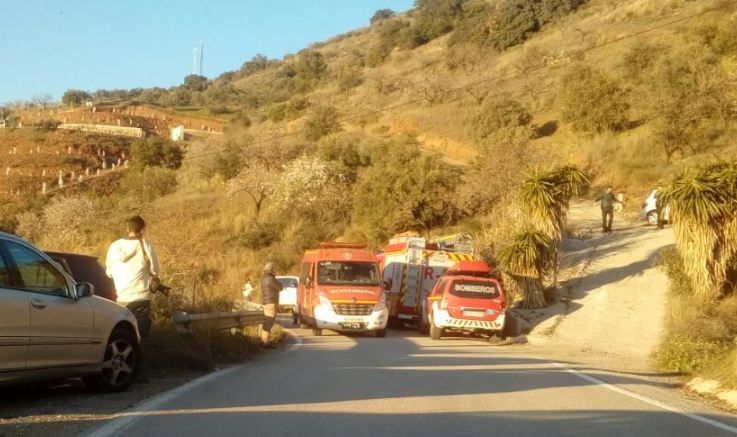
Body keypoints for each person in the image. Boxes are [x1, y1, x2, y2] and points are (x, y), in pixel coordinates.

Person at [105, 215, 159, 338]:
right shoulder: (145, 245)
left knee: (124, 334)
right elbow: (155, 271)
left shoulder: (114, 246)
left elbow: (108, 273)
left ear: (127, 229)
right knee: (140, 335)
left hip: (121, 299)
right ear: (143, 230)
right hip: (141, 297)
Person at [260, 262, 283, 347]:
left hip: (266, 301)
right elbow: (279, 287)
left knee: (267, 322)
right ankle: (265, 342)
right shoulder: (270, 278)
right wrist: (280, 284)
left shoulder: (263, 278)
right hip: (271, 302)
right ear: (272, 270)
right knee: (269, 323)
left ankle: (265, 341)